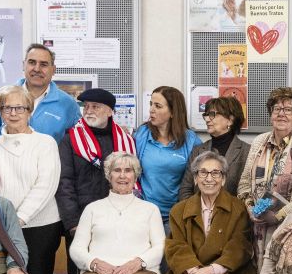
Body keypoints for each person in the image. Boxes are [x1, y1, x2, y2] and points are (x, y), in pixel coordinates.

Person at [0, 84, 62, 274]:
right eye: (7, 107)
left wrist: (19, 218)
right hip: (4, 226)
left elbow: (46, 185)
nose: (13, 112)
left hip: (41, 225)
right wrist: (7, 222)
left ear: (29, 110)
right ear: (0, 111)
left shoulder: (45, 143)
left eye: (19, 107)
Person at [238, 87, 292, 261]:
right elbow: (245, 182)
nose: (281, 114)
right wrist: (250, 207)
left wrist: (279, 215)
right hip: (257, 227)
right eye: (277, 109)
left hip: (291, 227)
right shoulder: (259, 141)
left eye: (288, 110)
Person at [58, 88, 139, 255]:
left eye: (95, 107)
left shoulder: (126, 141)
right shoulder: (70, 140)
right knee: (80, 273)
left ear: (110, 111)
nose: (89, 111)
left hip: (118, 218)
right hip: (81, 218)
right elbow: (64, 183)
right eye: (86, 107)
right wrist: (73, 223)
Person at [136, 86, 202, 229]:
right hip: (144, 213)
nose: (151, 110)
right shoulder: (142, 134)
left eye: (158, 106)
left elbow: (197, 179)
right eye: (151, 104)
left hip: (177, 215)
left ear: (173, 112)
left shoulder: (190, 140)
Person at [0, 44, 80, 141]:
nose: (37, 69)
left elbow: (76, 144)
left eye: (43, 64)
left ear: (53, 70)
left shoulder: (69, 105)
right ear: (23, 65)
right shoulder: (2, 96)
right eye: (32, 62)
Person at [178, 96, 249, 200]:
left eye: (212, 115)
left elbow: (247, 192)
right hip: (198, 214)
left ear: (230, 120)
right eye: (206, 115)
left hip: (233, 214)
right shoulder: (198, 150)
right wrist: (194, 213)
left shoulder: (246, 151)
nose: (207, 119)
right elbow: (186, 188)